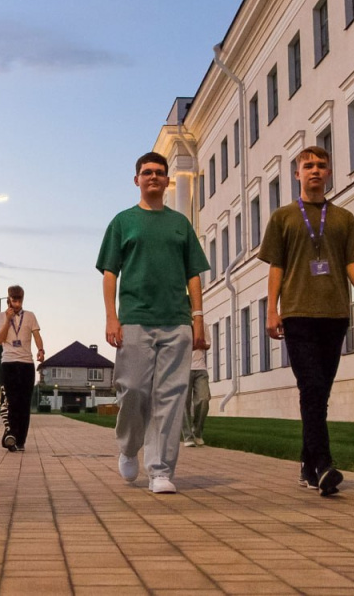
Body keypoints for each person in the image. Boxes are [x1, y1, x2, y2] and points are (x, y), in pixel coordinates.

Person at [258, 145, 354, 497]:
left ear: (329, 173)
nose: (314, 171)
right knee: (310, 388)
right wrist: (271, 310)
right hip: (297, 315)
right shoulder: (283, 217)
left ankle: (308, 467)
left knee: (319, 393)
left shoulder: (343, 217)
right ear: (297, 174)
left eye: (321, 166)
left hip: (335, 314)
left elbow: (352, 261)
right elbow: (276, 266)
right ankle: (324, 464)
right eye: (308, 166)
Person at [96, 151, 210, 494]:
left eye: (160, 173)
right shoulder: (122, 222)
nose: (154, 177)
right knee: (132, 389)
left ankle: (160, 470)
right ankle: (129, 447)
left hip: (176, 322)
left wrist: (198, 320)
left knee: (170, 396)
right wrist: (111, 317)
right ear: (137, 180)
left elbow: (193, 276)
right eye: (147, 173)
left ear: (167, 180)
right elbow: (109, 273)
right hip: (135, 320)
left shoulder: (180, 224)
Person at [0, 285, 44, 452]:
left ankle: (20, 440)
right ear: (8, 299)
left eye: (19, 300)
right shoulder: (0, 316)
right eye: (13, 300)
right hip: (8, 363)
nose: (16, 303)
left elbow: (37, 335)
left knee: (24, 403)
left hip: (26, 364)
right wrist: (8, 320)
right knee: (10, 401)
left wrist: (41, 350)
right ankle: (11, 435)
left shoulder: (30, 316)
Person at [182, 349, 210, 448]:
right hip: (183, 368)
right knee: (184, 403)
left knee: (204, 399)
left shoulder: (203, 331)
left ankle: (197, 433)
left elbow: (207, 344)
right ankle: (188, 436)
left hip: (201, 368)